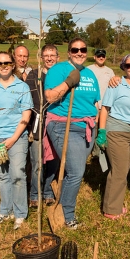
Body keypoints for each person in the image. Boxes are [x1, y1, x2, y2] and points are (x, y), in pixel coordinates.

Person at [44, 37, 100, 230]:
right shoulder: (58, 70)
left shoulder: (90, 74)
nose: (79, 53)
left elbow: (95, 102)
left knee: (73, 171)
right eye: (75, 50)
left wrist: (98, 126)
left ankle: (55, 194)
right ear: (68, 52)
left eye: (82, 49)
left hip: (87, 127)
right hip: (63, 124)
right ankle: (67, 215)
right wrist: (68, 82)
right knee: (76, 171)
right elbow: (50, 97)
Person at [0, 51, 32, 229]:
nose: (3, 66)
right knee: (2, 175)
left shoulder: (22, 87)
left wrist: (13, 138)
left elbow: (26, 114)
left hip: (17, 137)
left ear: (13, 65)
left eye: (7, 63)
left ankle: (20, 213)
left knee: (17, 174)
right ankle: (5, 210)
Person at [97, 54, 130, 220]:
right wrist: (101, 131)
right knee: (119, 171)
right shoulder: (116, 84)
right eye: (129, 65)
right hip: (116, 131)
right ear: (124, 67)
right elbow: (105, 108)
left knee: (122, 171)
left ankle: (114, 204)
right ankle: (111, 209)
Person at [24, 44, 59, 210]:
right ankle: (34, 195)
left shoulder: (61, 75)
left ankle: (48, 192)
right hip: (38, 124)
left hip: (56, 124)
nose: (49, 58)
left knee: (53, 161)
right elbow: (28, 101)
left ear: (58, 57)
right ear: (42, 58)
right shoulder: (34, 75)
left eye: (52, 55)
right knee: (37, 161)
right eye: (46, 55)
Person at [87, 48, 115, 166]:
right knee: (91, 129)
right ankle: (90, 152)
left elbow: (114, 85)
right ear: (94, 57)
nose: (101, 57)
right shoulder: (88, 70)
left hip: (105, 106)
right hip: (91, 105)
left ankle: (99, 153)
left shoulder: (109, 71)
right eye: (99, 56)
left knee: (102, 130)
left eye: (103, 56)